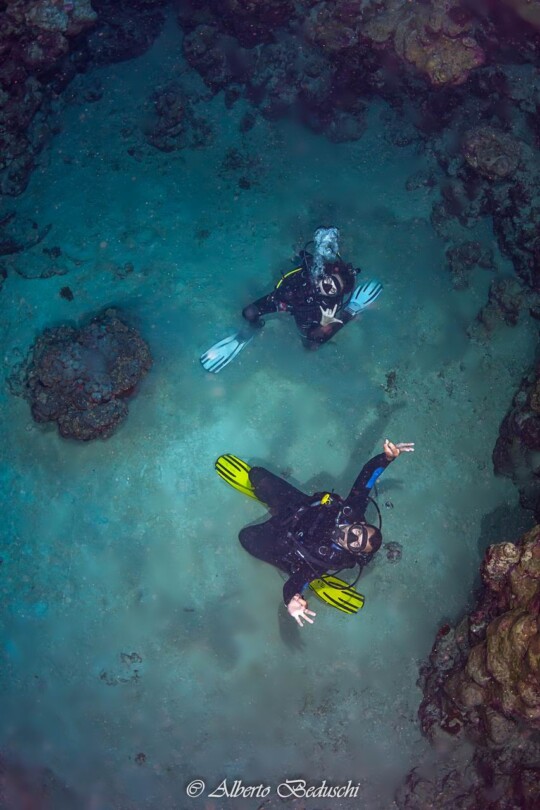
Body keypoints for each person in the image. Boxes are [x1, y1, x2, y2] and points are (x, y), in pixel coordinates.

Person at [238, 439, 414, 626]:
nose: (349, 535)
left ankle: (292, 567)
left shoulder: (326, 559)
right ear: (359, 523)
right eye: (356, 531)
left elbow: (296, 582)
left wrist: (291, 599)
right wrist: (387, 458)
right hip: (295, 508)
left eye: (355, 543)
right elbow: (366, 478)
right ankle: (273, 507)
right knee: (256, 474)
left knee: (245, 537)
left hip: (283, 543)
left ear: (353, 551)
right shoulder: (352, 511)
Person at [200, 226, 383, 373]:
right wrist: (297, 254)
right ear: (324, 272)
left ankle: (351, 310)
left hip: (307, 315)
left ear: (336, 294)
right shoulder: (315, 268)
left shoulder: (329, 304)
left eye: (332, 289)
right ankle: (253, 330)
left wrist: (330, 323)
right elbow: (304, 256)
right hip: (285, 300)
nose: (325, 287)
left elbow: (319, 331)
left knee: (310, 346)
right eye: (327, 280)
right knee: (248, 313)